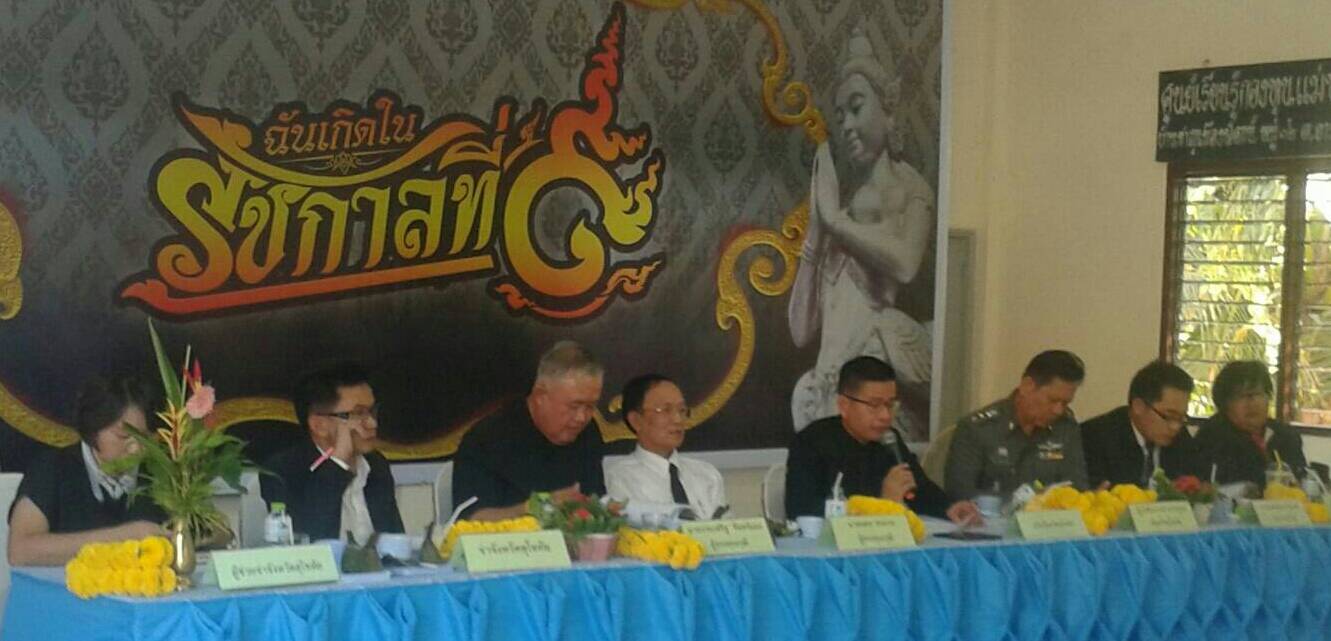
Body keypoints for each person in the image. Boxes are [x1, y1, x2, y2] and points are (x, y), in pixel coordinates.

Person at [787, 27, 936, 441]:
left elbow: (905, 265)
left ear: (888, 111)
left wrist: (835, 222)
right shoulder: (841, 202)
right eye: (840, 116)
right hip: (827, 390)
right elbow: (800, 330)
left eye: (856, 108)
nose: (847, 125)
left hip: (869, 381)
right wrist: (818, 230)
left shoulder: (910, 189)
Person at [785, 356, 980, 524]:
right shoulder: (810, 443)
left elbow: (919, 489)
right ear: (844, 405)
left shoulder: (889, 440)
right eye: (874, 405)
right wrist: (883, 504)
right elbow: (801, 510)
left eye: (890, 404)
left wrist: (949, 507)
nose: (885, 416)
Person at [7, 375, 166, 566]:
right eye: (123, 436)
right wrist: (124, 537)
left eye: (145, 437)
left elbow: (194, 537)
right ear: (92, 429)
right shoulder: (54, 468)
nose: (135, 449)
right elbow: (20, 551)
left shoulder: (162, 471)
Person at [452, 341, 607, 520]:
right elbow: (472, 518)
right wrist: (537, 508)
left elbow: (595, 504)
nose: (582, 417)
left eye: (590, 406)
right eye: (574, 406)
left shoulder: (588, 433)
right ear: (540, 396)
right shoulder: (486, 440)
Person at [260, 362, 403, 542]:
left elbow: (395, 540)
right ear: (319, 425)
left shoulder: (375, 464)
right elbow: (307, 540)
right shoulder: (282, 471)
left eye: (372, 411)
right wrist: (338, 464)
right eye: (358, 414)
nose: (372, 423)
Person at [945, 350, 1089, 499]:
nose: (1058, 410)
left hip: (1048, 514)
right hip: (990, 514)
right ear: (1027, 386)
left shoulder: (1066, 428)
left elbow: (1077, 489)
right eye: (1052, 400)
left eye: (1065, 403)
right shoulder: (977, 428)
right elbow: (960, 495)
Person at [605, 374, 726, 522]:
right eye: (666, 410)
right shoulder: (619, 477)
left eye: (682, 410)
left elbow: (725, 528)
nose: (678, 419)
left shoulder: (707, 474)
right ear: (636, 420)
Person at [1081, 361, 1202, 487]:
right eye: (1169, 416)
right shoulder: (1096, 438)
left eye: (1181, 418)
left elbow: (1195, 481)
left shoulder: (1180, 439)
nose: (1175, 427)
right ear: (1138, 406)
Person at [1194, 360, 1305, 489]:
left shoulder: (1286, 436)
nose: (1252, 403)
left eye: (1257, 394)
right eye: (1241, 396)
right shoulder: (1211, 437)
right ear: (1225, 404)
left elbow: (1301, 478)